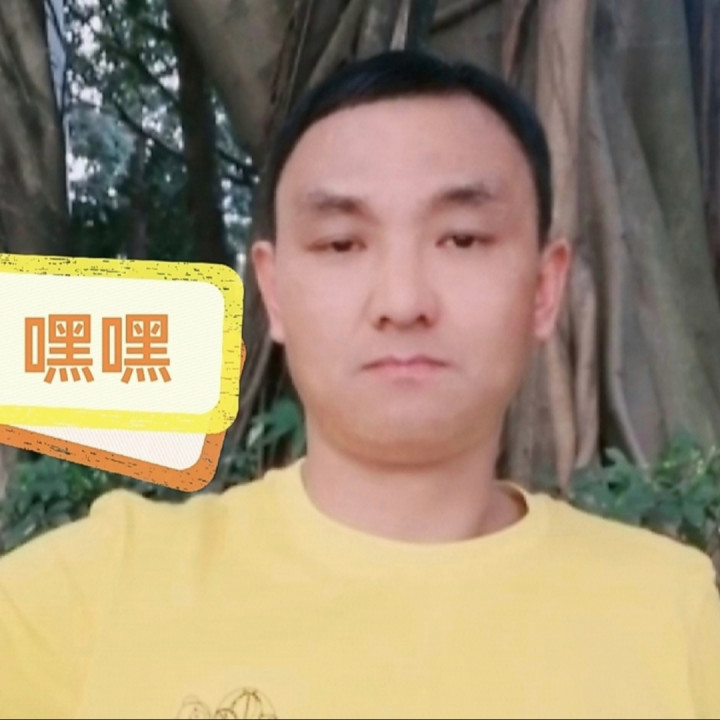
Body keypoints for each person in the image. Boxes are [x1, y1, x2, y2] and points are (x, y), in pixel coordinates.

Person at [1, 49, 719, 720]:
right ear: (274, 292)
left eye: (462, 239)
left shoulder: (672, 614)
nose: (402, 302)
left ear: (544, 287)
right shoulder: (87, 594)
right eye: (342, 243)